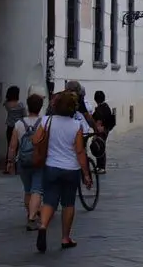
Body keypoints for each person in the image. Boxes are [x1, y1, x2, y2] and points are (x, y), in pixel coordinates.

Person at [35, 91, 93, 253]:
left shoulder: (46, 121)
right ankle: (65, 238)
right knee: (68, 203)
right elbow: (80, 152)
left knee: (49, 201)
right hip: (71, 169)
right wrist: (86, 174)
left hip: (51, 166)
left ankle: (43, 225)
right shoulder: (76, 126)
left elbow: (35, 140)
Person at [7, 93, 45, 230]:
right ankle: (32, 218)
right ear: (40, 107)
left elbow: (12, 146)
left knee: (28, 190)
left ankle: (30, 212)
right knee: (37, 190)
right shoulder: (44, 122)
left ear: (28, 107)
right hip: (39, 161)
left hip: (22, 161)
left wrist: (10, 161)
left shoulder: (19, 124)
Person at [2, 86, 26, 174]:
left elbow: (5, 103)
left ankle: (7, 167)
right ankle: (17, 167)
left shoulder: (7, 104)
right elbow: (24, 115)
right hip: (19, 127)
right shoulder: (21, 104)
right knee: (19, 147)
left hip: (10, 127)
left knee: (10, 147)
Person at [92, 90, 115, 174]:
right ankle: (99, 166)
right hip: (105, 130)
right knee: (99, 146)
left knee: (100, 147)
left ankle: (101, 167)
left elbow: (97, 119)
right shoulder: (105, 107)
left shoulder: (101, 109)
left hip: (101, 131)